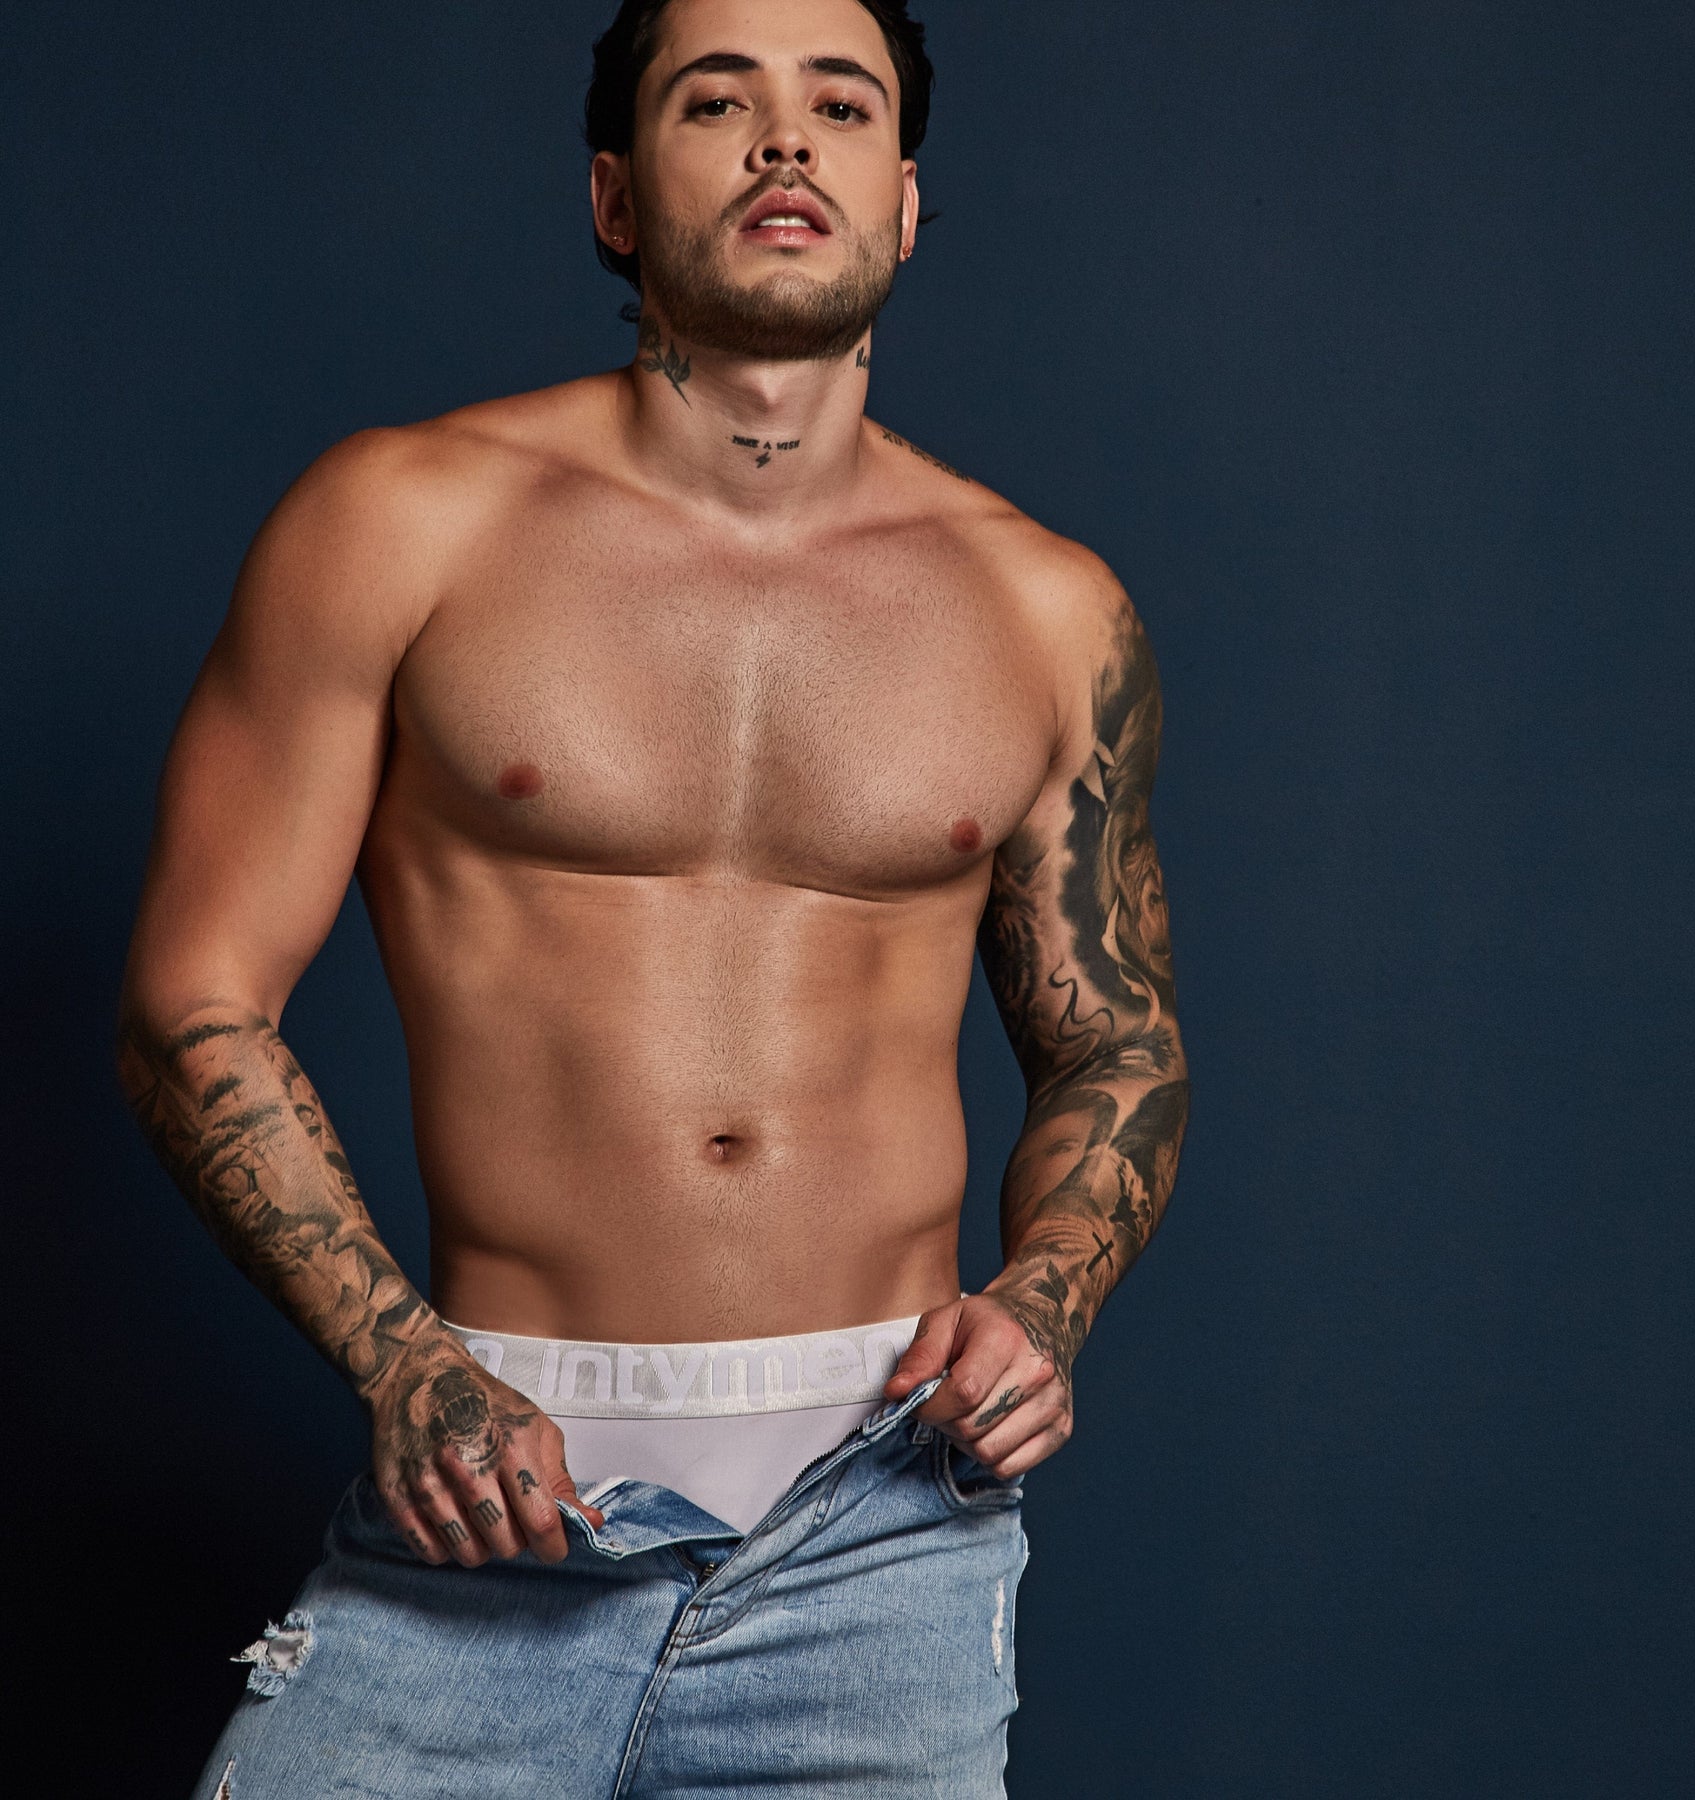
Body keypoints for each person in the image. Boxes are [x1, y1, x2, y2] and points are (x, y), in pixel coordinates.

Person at [117, 0, 1187, 1793]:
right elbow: (192, 1003)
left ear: (904, 200)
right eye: (716, 100)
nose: (785, 140)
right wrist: (402, 1365)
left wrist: (1047, 1302)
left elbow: (1117, 1045)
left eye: (839, 104)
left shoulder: (1047, 611)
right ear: (616, 196)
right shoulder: (400, 525)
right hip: (490, 1494)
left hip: (884, 1525)